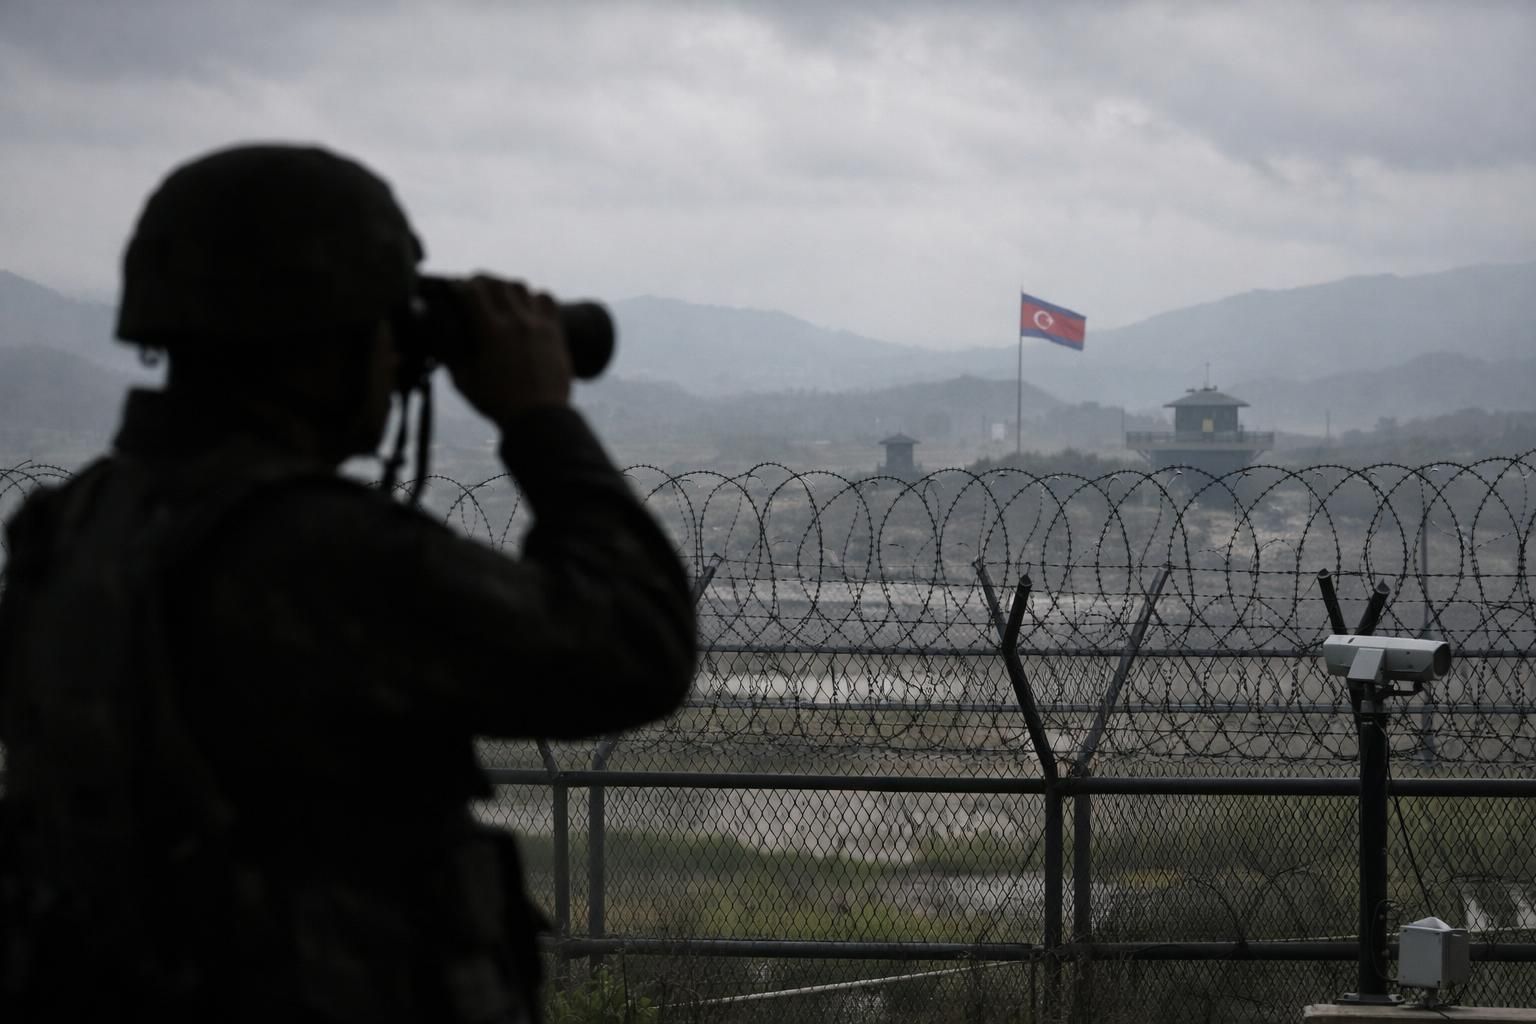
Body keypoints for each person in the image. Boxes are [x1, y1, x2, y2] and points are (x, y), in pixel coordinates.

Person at [0, 144, 696, 1022]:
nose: (398, 361)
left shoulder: (66, 534)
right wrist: (539, 416)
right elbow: (636, 645)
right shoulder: (318, 553)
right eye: (386, 329)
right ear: (326, 344)